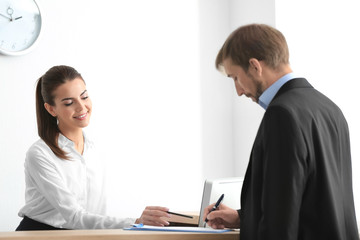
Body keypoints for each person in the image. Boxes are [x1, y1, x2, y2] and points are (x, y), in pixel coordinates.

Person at [203, 24, 359, 239]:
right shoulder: (330, 109)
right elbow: (315, 202)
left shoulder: (282, 114)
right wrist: (243, 217)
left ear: (255, 66)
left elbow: (280, 221)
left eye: (235, 78)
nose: (238, 91)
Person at [16, 65, 171, 230]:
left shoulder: (96, 150)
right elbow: (75, 216)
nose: (81, 107)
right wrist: (136, 222)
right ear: (51, 109)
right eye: (69, 103)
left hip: (83, 233)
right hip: (40, 233)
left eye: (84, 97)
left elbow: (95, 212)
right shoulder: (40, 154)